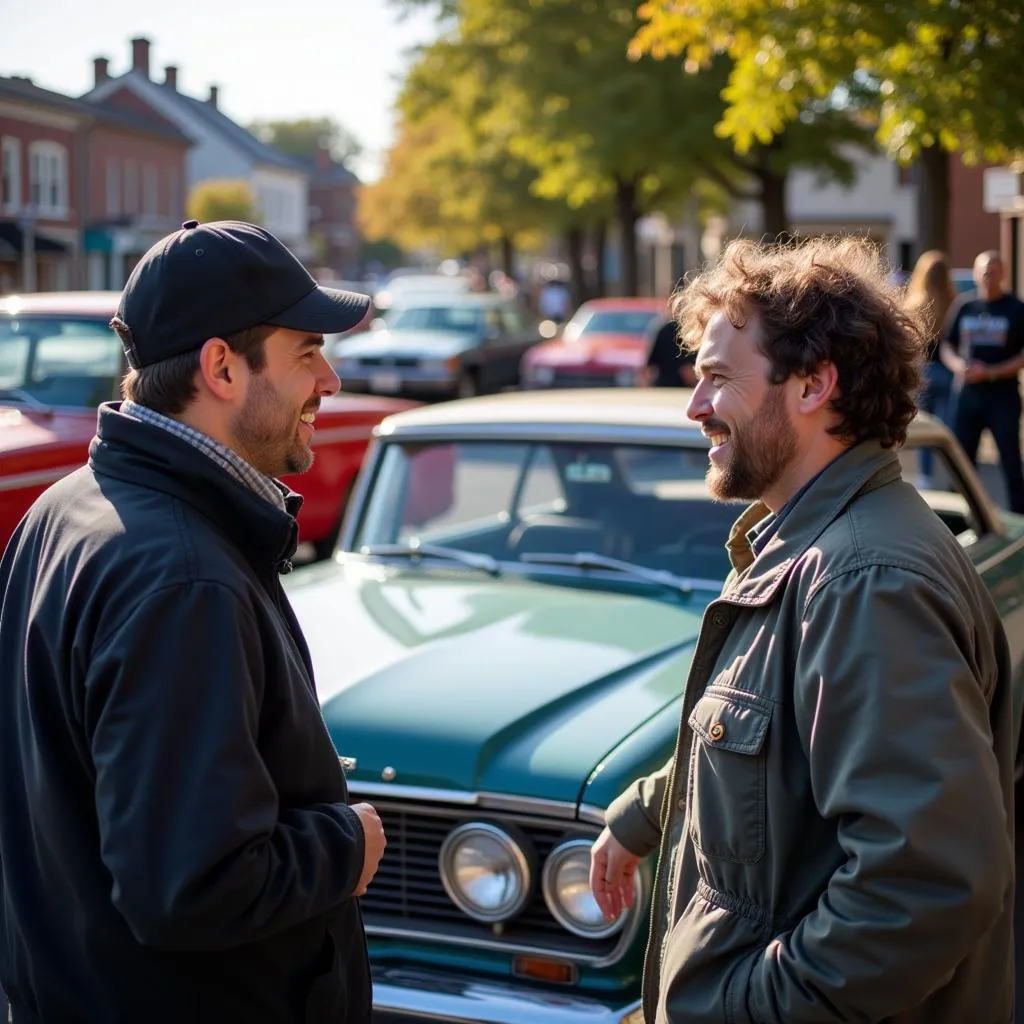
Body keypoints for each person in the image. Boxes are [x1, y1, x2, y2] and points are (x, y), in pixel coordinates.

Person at [590, 236, 1014, 1023]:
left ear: (816, 384)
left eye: (718, 378)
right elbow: (770, 759)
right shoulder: (806, 543)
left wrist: (743, 1010)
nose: (695, 405)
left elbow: (927, 884)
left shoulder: (864, 582)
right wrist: (647, 813)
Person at [0, 220, 387, 1023]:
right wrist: (348, 843)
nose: (332, 380)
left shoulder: (61, 512)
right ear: (220, 367)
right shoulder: (183, 580)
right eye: (307, 352)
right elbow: (192, 886)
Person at [940, 249, 1024, 513]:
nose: (989, 277)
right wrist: (958, 366)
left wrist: (991, 372)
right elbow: (947, 346)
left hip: (1002, 396)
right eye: (985, 273)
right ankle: (961, 519)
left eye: (994, 272)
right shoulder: (965, 306)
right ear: (976, 275)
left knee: (1010, 463)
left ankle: (1018, 520)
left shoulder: (1016, 309)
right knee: (961, 463)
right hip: (968, 395)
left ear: (1003, 275)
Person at [903, 249, 957, 481]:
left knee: (924, 430)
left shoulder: (914, 305)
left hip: (923, 373)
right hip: (947, 372)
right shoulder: (953, 304)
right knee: (945, 431)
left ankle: (925, 477)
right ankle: (951, 478)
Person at [641, 316, 698, 387]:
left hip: (667, 385)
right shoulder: (693, 329)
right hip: (671, 385)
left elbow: (650, 364)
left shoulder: (662, 328)